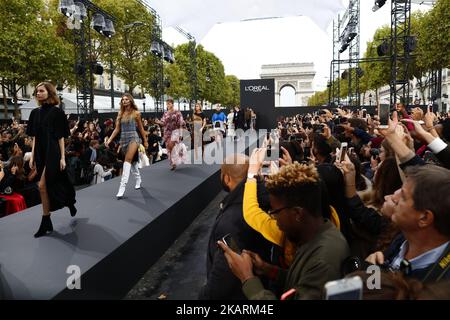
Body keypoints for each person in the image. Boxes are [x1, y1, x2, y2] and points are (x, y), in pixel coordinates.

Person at [219, 163, 350, 300]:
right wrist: (269, 270)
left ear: (297, 213)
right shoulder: (315, 236)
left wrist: (247, 277)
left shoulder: (324, 261)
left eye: (275, 212)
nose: (274, 218)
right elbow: (302, 282)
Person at [199, 154, 272, 300]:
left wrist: (204, 296)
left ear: (226, 178)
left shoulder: (232, 221)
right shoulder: (263, 199)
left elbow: (222, 277)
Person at [366, 165, 450, 283]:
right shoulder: (405, 237)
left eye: (403, 197)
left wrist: (368, 278)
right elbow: (374, 289)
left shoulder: (439, 287)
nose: (392, 196)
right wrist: (373, 274)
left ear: (424, 218)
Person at [26, 82, 77, 238]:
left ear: (49, 92)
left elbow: (61, 137)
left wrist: (62, 157)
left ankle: (46, 220)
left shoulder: (57, 112)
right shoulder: (34, 113)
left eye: (41, 91)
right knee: (52, 185)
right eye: (36, 91)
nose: (38, 93)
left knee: (42, 185)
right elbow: (34, 137)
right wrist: (33, 155)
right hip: (41, 153)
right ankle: (68, 201)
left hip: (53, 153)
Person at [105, 93, 148, 199]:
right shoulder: (120, 113)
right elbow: (117, 129)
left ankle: (122, 187)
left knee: (127, 160)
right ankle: (138, 178)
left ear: (130, 101)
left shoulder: (136, 113)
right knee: (132, 162)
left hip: (134, 138)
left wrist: (145, 141)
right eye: (123, 99)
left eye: (126, 99)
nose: (124, 101)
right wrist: (109, 139)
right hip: (123, 139)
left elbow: (141, 129)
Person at [156, 98, 185, 170]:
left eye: (169, 103)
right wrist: (159, 122)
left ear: (172, 104)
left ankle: (178, 154)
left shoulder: (177, 112)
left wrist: (181, 133)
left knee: (172, 145)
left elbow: (181, 123)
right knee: (169, 148)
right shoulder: (165, 113)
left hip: (175, 132)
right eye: (167, 104)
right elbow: (163, 123)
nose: (168, 105)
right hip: (167, 133)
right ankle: (173, 163)